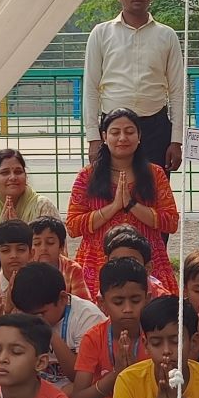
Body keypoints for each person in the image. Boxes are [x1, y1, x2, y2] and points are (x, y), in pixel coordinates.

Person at [82, 0, 186, 172]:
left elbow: (177, 91)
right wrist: (93, 138)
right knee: (111, 189)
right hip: (113, 128)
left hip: (155, 127)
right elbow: (91, 88)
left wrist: (176, 141)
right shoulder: (101, 33)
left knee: (155, 188)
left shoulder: (167, 35)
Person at [68, 108, 180, 293]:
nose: (122, 138)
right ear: (104, 136)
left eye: (129, 132)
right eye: (115, 132)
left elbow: (171, 222)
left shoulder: (155, 174)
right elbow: (73, 226)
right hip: (97, 266)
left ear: (139, 136)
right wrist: (113, 207)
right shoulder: (87, 176)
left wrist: (132, 205)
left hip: (148, 264)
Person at [70, 258, 150, 398]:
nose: (128, 309)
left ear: (147, 299)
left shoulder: (156, 333)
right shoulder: (93, 338)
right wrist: (116, 374)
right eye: (118, 302)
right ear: (102, 303)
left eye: (135, 300)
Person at [10, 261, 106, 386]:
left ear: (62, 299)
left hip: (76, 388)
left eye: (40, 314)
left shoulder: (88, 318)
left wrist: (49, 332)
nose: (32, 320)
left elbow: (79, 377)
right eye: (27, 315)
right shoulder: (23, 313)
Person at [0, 150, 59, 247]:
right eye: (5, 173)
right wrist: (1, 233)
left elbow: (57, 252)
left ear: (26, 177)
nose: (13, 177)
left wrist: (19, 230)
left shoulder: (42, 206)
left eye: (18, 172)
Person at [27, 216, 90, 300]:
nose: (43, 248)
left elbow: (83, 304)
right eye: (37, 243)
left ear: (61, 247)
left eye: (50, 242)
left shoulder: (72, 270)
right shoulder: (24, 269)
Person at [103, 225, 173, 296]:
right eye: (115, 261)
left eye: (131, 262)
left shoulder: (160, 296)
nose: (122, 267)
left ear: (147, 268)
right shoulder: (105, 291)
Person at [0, 219, 35, 303]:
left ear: (31, 253)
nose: (14, 256)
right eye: (5, 250)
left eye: (21, 249)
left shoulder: (40, 285)